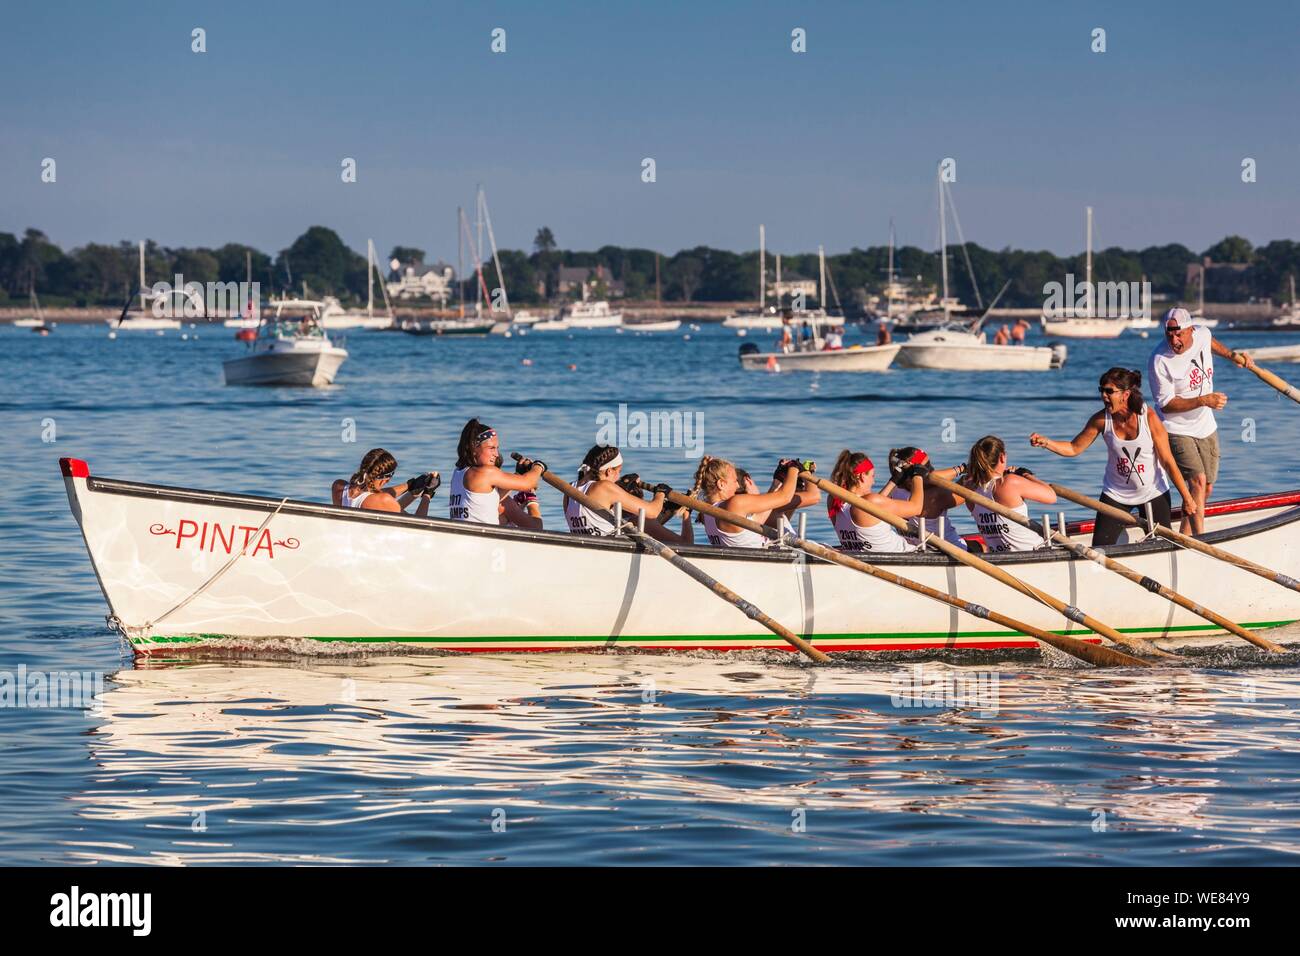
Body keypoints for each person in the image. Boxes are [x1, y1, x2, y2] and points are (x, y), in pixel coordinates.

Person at [1029, 367, 1196, 546]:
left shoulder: (1149, 418)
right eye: (1101, 390)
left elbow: (1168, 462)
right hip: (1115, 494)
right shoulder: (1101, 420)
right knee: (1100, 548)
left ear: (1125, 394)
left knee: (1164, 546)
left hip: (1153, 492)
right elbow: (1073, 448)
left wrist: (1187, 498)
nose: (1104, 396)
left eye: (1109, 391)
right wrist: (1046, 442)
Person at [1148, 307, 1255, 534]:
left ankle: (1184, 537)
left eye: (1179, 335)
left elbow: (1210, 342)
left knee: (1205, 489)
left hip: (1205, 426)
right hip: (1175, 428)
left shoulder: (1202, 333)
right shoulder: (1159, 360)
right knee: (1197, 481)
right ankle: (1202, 541)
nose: (1174, 340)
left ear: (1190, 330)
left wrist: (1232, 356)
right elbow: (1166, 405)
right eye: (1169, 335)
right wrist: (1204, 400)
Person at [961, 435, 1056, 552]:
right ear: (1002, 457)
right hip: (1032, 550)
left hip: (998, 553)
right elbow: (1051, 496)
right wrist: (1025, 474)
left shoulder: (969, 488)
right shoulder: (1010, 482)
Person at [824, 449, 926, 552]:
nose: (873, 482)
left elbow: (872, 511)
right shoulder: (870, 503)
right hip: (906, 554)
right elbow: (916, 508)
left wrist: (894, 481)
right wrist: (917, 475)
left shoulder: (834, 499)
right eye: (872, 476)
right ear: (862, 476)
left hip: (858, 556)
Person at [449, 418, 543, 528]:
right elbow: (529, 483)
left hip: (466, 537)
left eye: (497, 448)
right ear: (473, 449)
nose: (496, 454)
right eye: (491, 448)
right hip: (482, 541)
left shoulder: (458, 473)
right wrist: (539, 466)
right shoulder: (486, 472)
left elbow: (489, 498)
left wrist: (518, 475)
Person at [691, 456, 803, 548]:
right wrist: (793, 467)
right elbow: (785, 497)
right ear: (721, 484)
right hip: (762, 564)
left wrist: (776, 484)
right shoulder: (734, 503)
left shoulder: (705, 512)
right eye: (734, 481)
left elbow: (759, 519)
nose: (738, 485)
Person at [564, 444, 670, 536]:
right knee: (638, 520)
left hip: (586, 545)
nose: (619, 476)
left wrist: (621, 487)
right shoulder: (604, 487)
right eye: (619, 471)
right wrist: (661, 492)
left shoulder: (569, 490)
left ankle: (670, 511)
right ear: (609, 471)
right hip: (607, 547)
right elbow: (652, 512)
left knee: (632, 519)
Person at [880, 447, 970, 550]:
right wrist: (966, 471)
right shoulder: (935, 494)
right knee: (983, 548)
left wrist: (961, 469)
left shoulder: (892, 491)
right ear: (917, 471)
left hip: (911, 548)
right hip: (950, 550)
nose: (931, 470)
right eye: (927, 466)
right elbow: (969, 491)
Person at [331, 448, 439, 516]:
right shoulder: (384, 500)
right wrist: (427, 494)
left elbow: (373, 496)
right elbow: (419, 525)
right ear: (386, 479)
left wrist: (410, 486)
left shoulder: (338, 487)